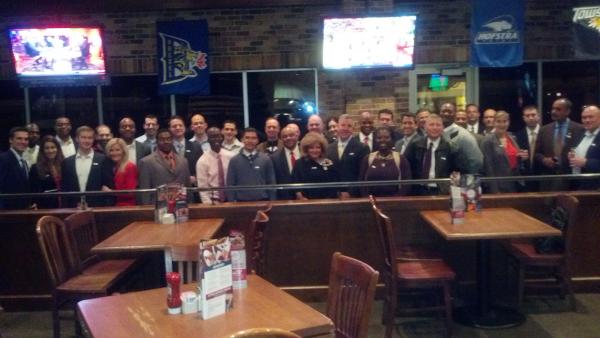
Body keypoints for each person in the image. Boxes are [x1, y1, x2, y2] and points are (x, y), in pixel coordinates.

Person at [534, 98, 585, 191]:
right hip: (548, 178)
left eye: (558, 109)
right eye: (553, 109)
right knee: (546, 205)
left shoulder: (580, 129)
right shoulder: (544, 130)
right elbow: (537, 153)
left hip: (570, 180)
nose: (553, 111)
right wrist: (544, 160)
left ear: (567, 111)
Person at [404, 114, 459, 195]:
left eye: (438, 125)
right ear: (425, 127)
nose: (435, 128)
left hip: (441, 191)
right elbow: (406, 168)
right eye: (431, 125)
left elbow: (456, 171)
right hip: (418, 191)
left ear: (443, 128)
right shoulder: (414, 145)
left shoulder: (450, 148)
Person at [138, 129, 191, 205]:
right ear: (157, 141)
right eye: (162, 139)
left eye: (168, 139)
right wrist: (147, 210)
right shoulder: (146, 162)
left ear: (172, 140)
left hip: (181, 207)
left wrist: (190, 205)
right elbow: (145, 192)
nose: (166, 141)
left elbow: (188, 188)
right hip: (158, 207)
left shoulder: (184, 161)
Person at [480, 111, 528, 193]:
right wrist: (495, 191)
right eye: (498, 121)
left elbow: (514, 160)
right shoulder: (487, 140)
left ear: (508, 122)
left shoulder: (512, 137)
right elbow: (488, 168)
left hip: (515, 183)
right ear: (494, 123)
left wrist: (522, 158)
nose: (502, 124)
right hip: (498, 186)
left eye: (505, 121)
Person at [61, 126, 106, 207]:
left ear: (93, 139)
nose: (87, 141)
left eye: (90, 138)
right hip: (73, 208)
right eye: (83, 137)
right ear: (77, 139)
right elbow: (64, 188)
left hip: (97, 207)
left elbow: (106, 185)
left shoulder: (102, 159)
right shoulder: (67, 162)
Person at [226, 128, 276, 202]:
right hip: (241, 203)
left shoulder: (266, 159)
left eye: (253, 138)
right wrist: (231, 203)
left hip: (263, 202)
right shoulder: (234, 161)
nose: (250, 141)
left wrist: (273, 202)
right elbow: (230, 185)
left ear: (257, 140)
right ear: (242, 140)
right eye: (247, 138)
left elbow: (271, 183)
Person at [326, 114, 369, 198]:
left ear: (353, 129)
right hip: (333, 196)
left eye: (349, 126)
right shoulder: (329, 148)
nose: (345, 128)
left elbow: (363, 175)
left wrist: (351, 192)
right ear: (338, 126)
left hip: (354, 196)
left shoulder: (362, 148)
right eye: (343, 125)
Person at [360, 127, 412, 197]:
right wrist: (368, 199)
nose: (383, 140)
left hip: (395, 203)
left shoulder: (401, 159)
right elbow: (361, 183)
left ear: (392, 139)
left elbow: (406, 185)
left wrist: (396, 200)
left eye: (387, 137)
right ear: (375, 140)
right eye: (379, 138)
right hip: (371, 202)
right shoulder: (368, 158)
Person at [439, 102, 483, 174]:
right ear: (439, 113)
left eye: (449, 112)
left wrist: (466, 178)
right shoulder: (437, 132)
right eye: (444, 111)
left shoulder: (463, 135)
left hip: (459, 181)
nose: (446, 114)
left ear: (455, 114)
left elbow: (477, 161)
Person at [292, 132, 339, 199]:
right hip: (307, 202)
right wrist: (301, 198)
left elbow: (335, 184)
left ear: (322, 148)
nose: (315, 150)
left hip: (328, 202)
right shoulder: (299, 163)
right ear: (306, 149)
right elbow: (295, 183)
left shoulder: (329, 162)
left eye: (318, 147)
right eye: (311, 148)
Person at [196, 127, 233, 204]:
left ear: (222, 138)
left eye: (218, 136)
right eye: (212, 137)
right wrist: (209, 206)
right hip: (213, 201)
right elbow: (203, 188)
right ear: (208, 139)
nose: (216, 139)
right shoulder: (202, 161)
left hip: (230, 200)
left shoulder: (231, 156)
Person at [568, 105, 600, 190]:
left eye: (590, 117)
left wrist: (586, 163)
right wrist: (571, 156)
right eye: (584, 118)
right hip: (578, 184)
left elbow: (584, 162)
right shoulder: (580, 134)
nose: (587, 120)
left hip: (596, 187)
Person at [0, 127, 32, 209]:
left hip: (22, 210)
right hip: (7, 212)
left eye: (26, 139)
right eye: (19, 138)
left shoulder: (24, 162)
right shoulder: (3, 159)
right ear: (10, 140)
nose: (23, 142)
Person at [29, 136, 64, 209]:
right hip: (46, 207)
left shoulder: (65, 165)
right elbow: (34, 192)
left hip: (64, 205)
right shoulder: (35, 168)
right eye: (47, 148)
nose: (50, 150)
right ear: (42, 150)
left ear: (58, 149)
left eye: (53, 147)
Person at [101, 138, 138, 206]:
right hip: (115, 205)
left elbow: (130, 193)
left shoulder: (130, 167)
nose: (114, 153)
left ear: (123, 151)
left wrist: (110, 192)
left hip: (127, 206)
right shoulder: (114, 166)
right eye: (111, 150)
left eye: (118, 150)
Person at [169, 115, 203, 187]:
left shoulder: (196, 146)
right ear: (170, 129)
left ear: (184, 127)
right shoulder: (166, 148)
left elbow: (201, 167)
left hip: (192, 188)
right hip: (172, 188)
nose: (178, 128)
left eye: (180, 125)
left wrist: (196, 177)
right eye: (174, 126)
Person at [270, 124, 301, 200]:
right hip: (284, 199)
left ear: (297, 136)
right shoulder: (274, 158)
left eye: (291, 135)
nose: (288, 138)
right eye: (285, 136)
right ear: (281, 139)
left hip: (306, 198)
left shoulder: (305, 154)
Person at [515, 105, 542, 191]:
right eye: (527, 116)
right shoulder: (517, 136)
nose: (530, 118)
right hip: (524, 179)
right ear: (523, 118)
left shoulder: (546, 133)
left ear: (538, 116)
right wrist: (519, 157)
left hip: (543, 178)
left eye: (533, 115)